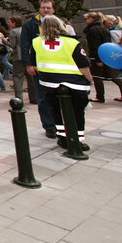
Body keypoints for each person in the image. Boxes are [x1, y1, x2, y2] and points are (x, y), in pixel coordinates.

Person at [29, 15, 93, 151]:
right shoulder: (72, 43)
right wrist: (90, 79)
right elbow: (83, 65)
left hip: (49, 84)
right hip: (75, 83)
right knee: (77, 111)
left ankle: (63, 138)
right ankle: (78, 139)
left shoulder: (36, 42)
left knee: (56, 110)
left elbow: (34, 63)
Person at [22, 0, 58, 138]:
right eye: (43, 7)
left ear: (53, 9)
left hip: (57, 66)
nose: (46, 10)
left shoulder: (59, 23)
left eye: (48, 8)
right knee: (43, 97)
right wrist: (29, 64)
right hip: (39, 67)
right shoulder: (31, 24)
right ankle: (49, 126)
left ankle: (60, 123)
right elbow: (25, 45)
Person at [83, 11, 111, 104]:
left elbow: (95, 46)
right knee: (112, 76)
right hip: (105, 55)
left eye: (86, 19)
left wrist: (97, 59)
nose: (86, 21)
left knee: (96, 76)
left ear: (91, 19)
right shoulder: (104, 29)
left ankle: (100, 96)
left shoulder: (92, 30)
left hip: (97, 57)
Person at [8, 15, 37, 103]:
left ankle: (19, 100)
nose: (9, 24)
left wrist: (4, 40)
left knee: (17, 77)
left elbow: (12, 45)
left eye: (10, 22)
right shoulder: (25, 30)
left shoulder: (13, 31)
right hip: (28, 56)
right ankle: (34, 98)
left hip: (18, 57)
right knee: (30, 77)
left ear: (14, 22)